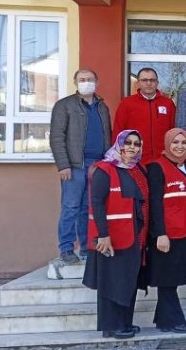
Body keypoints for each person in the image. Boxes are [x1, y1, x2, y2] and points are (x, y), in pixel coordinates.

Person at [82, 130, 149, 340]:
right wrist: (103, 235)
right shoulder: (104, 169)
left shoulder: (138, 169)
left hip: (135, 235)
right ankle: (111, 326)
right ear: (119, 144)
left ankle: (125, 322)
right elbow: (97, 203)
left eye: (136, 144)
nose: (132, 147)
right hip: (111, 238)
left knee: (128, 281)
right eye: (127, 143)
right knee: (112, 283)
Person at [50, 69, 112, 264]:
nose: (86, 82)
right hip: (75, 165)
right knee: (70, 206)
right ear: (75, 82)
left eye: (90, 79)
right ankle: (66, 248)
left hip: (98, 164)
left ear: (97, 82)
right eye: (82, 79)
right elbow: (57, 137)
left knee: (89, 207)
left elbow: (107, 135)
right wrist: (63, 165)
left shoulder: (102, 107)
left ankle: (86, 247)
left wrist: (108, 162)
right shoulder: (64, 105)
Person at [145, 128, 186, 334]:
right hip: (166, 234)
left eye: (184, 142)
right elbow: (155, 204)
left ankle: (163, 320)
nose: (180, 146)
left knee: (171, 278)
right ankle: (175, 320)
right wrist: (160, 233)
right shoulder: (157, 168)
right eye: (175, 142)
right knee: (167, 278)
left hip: (184, 231)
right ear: (167, 144)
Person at [113, 67, 176, 163]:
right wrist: (118, 155)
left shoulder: (168, 103)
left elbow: (174, 131)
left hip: (163, 160)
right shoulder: (127, 103)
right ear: (138, 83)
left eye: (152, 80)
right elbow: (118, 131)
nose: (149, 83)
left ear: (157, 83)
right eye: (144, 80)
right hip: (135, 160)